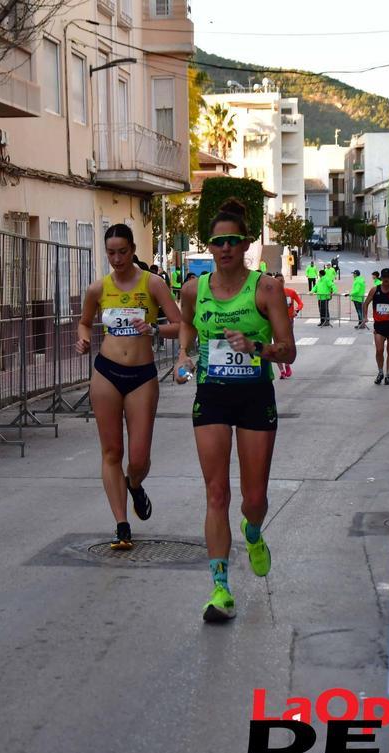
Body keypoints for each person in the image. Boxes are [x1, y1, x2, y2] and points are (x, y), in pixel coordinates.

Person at [174, 199, 296, 623]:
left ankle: (254, 531)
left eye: (232, 241)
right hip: (211, 394)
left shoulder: (267, 288)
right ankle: (220, 588)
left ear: (245, 243)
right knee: (216, 493)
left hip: (254, 396)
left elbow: (289, 349)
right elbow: (187, 323)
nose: (225, 248)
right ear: (209, 246)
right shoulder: (194, 288)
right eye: (217, 242)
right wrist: (185, 355)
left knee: (254, 498)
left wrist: (257, 347)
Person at [76, 225, 183, 549]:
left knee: (138, 457)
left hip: (141, 376)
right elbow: (84, 321)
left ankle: (134, 484)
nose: (117, 258)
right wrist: (82, 338)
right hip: (106, 372)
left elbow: (180, 326)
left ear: (133, 249)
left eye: (123, 251)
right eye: (111, 252)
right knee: (112, 451)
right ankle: (122, 525)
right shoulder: (98, 289)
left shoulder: (153, 284)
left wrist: (153, 328)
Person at [363, 267, 389, 385]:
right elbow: (365, 304)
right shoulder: (374, 290)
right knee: (379, 350)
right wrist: (365, 317)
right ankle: (380, 372)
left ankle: (388, 375)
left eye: (388, 278)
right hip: (379, 326)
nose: (386, 280)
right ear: (381, 279)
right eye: (384, 278)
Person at [276, 273, 302, 379]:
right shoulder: (270, 294)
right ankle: (281, 371)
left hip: (288, 321)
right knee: (277, 347)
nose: (279, 283)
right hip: (275, 322)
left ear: (283, 281)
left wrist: (296, 310)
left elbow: (300, 303)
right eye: (277, 281)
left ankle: (287, 365)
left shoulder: (290, 292)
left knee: (286, 345)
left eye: (281, 281)